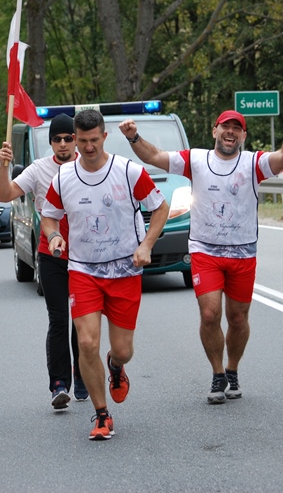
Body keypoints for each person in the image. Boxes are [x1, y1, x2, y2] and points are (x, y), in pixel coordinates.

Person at [119, 108, 283, 404]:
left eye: (236, 128)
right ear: (214, 131)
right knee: (209, 313)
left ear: (243, 136)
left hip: (243, 252)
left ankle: (232, 369)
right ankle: (218, 373)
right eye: (225, 127)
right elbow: (154, 156)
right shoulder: (195, 159)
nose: (230, 132)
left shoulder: (253, 163)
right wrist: (134, 137)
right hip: (205, 251)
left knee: (238, 318)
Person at [41, 109, 169, 440]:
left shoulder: (128, 171)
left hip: (125, 268)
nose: (88, 147)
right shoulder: (63, 178)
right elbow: (49, 216)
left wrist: (146, 245)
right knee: (86, 342)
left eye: (94, 140)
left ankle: (115, 365)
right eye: (82, 141)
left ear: (104, 137)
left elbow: (161, 207)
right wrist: (54, 236)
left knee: (123, 350)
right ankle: (101, 414)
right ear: (75, 139)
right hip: (83, 270)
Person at [0, 113, 88, 411]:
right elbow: (5, 195)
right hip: (52, 256)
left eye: (68, 138)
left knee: (82, 321)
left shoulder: (89, 165)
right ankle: (59, 384)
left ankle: (82, 373)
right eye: (57, 139)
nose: (63, 144)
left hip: (85, 257)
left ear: (76, 140)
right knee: (59, 319)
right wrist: (4, 166)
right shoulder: (38, 169)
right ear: (50, 143)